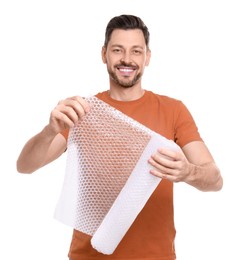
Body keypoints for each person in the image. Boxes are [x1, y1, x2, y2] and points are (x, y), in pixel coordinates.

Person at [16, 14, 223, 260]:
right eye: (118, 50)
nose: (127, 59)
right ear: (104, 54)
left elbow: (215, 179)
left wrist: (188, 172)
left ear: (147, 57)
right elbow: (25, 166)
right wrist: (50, 129)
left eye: (136, 51)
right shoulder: (84, 111)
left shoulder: (173, 110)